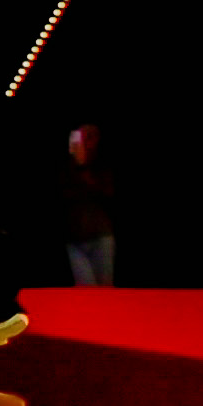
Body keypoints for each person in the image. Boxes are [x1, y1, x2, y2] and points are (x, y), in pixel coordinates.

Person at [62, 123, 119, 287]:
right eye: (82, 137)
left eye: (90, 137)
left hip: (101, 237)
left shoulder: (102, 165)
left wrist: (83, 167)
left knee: (105, 288)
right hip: (74, 240)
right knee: (86, 289)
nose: (86, 142)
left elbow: (105, 193)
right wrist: (76, 164)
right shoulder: (67, 167)